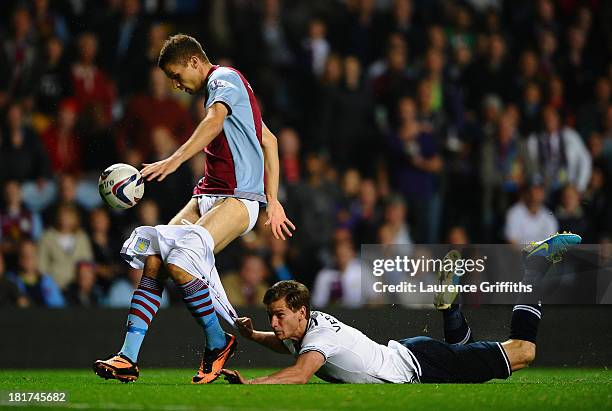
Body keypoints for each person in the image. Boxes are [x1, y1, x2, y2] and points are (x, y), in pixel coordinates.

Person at [94, 34, 295, 385]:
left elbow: (215, 121)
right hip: (207, 194)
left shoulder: (224, 80)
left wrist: (174, 158)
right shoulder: (226, 91)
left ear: (193, 62)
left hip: (238, 198)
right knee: (156, 255)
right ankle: (127, 356)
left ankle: (218, 342)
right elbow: (270, 141)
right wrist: (275, 199)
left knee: (182, 258)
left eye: (175, 75)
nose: (175, 85)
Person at [219, 233, 581, 384]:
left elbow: (299, 373)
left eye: (279, 315)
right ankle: (451, 310)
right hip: (413, 353)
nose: (274, 322)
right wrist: (254, 335)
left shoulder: (318, 338)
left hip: (419, 364)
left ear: (300, 311)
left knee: (524, 352)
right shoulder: (302, 328)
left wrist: (252, 382)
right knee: (461, 353)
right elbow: (282, 341)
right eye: (272, 317)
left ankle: (533, 268)